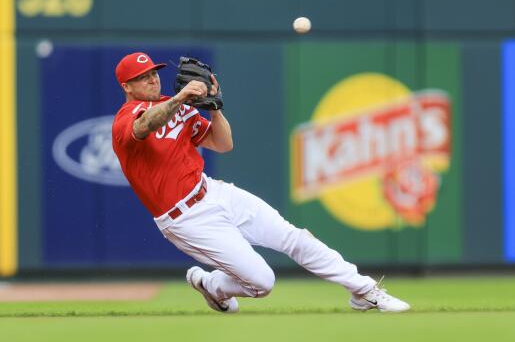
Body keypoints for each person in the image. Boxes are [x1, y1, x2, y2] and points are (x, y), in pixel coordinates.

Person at [111, 52, 411, 314]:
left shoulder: (178, 107)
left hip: (213, 191)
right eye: (142, 77)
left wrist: (214, 107)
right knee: (262, 283)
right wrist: (178, 99)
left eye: (154, 73)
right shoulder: (126, 119)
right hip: (185, 218)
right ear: (127, 86)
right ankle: (212, 284)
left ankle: (363, 291)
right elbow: (144, 125)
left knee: (294, 237)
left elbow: (222, 143)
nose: (153, 80)